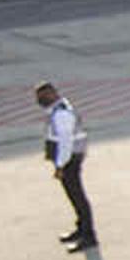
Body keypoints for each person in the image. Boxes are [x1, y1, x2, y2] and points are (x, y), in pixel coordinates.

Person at [36, 81, 96, 251]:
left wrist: (60, 165)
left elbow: (65, 143)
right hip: (69, 157)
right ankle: (81, 229)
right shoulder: (58, 109)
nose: (39, 100)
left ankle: (88, 235)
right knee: (74, 196)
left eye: (42, 96)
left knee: (77, 196)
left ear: (52, 94)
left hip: (70, 159)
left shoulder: (61, 114)